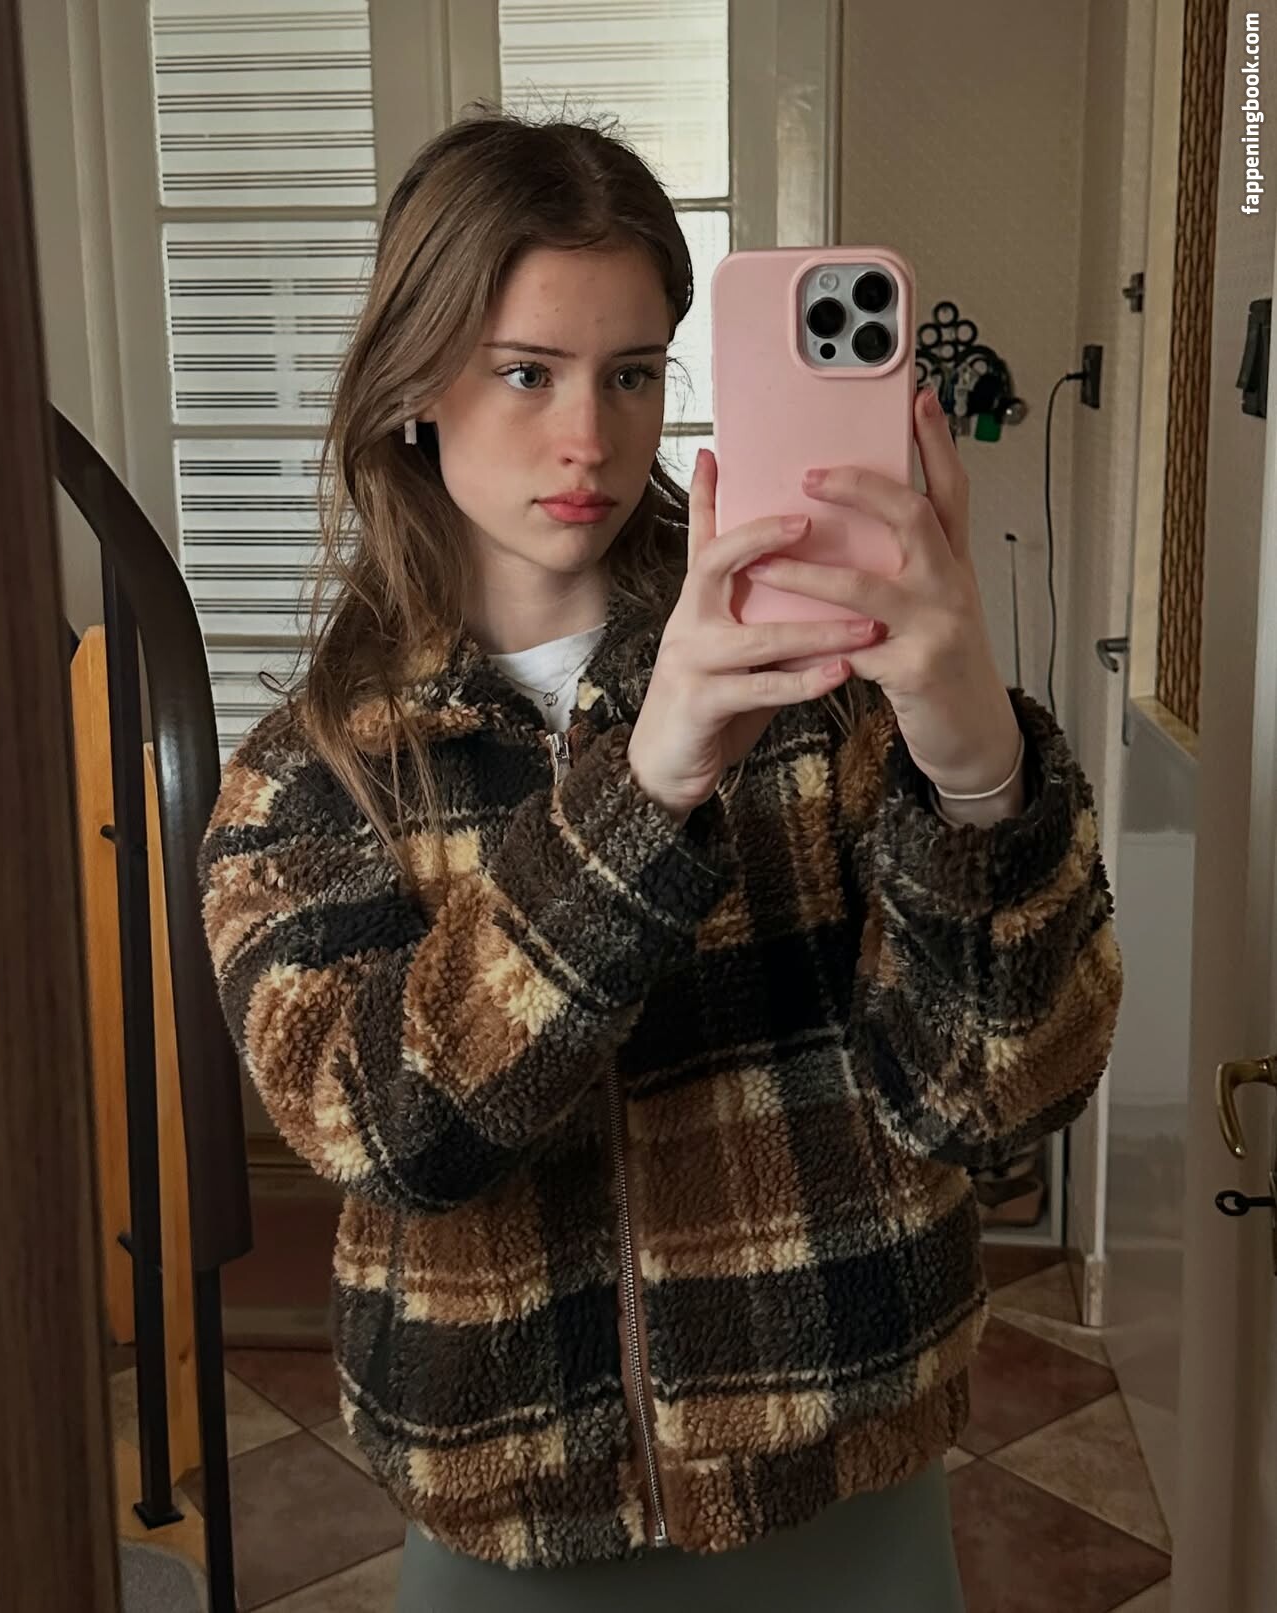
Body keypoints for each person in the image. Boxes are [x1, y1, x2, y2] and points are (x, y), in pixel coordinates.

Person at [198, 109, 1123, 1612]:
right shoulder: (313, 771)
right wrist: (649, 785)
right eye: (526, 371)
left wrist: (974, 760)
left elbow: (997, 1099)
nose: (589, 438)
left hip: (850, 1486)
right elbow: (389, 1134)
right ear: (415, 380)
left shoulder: (829, 692)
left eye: (632, 373)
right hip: (507, 1523)